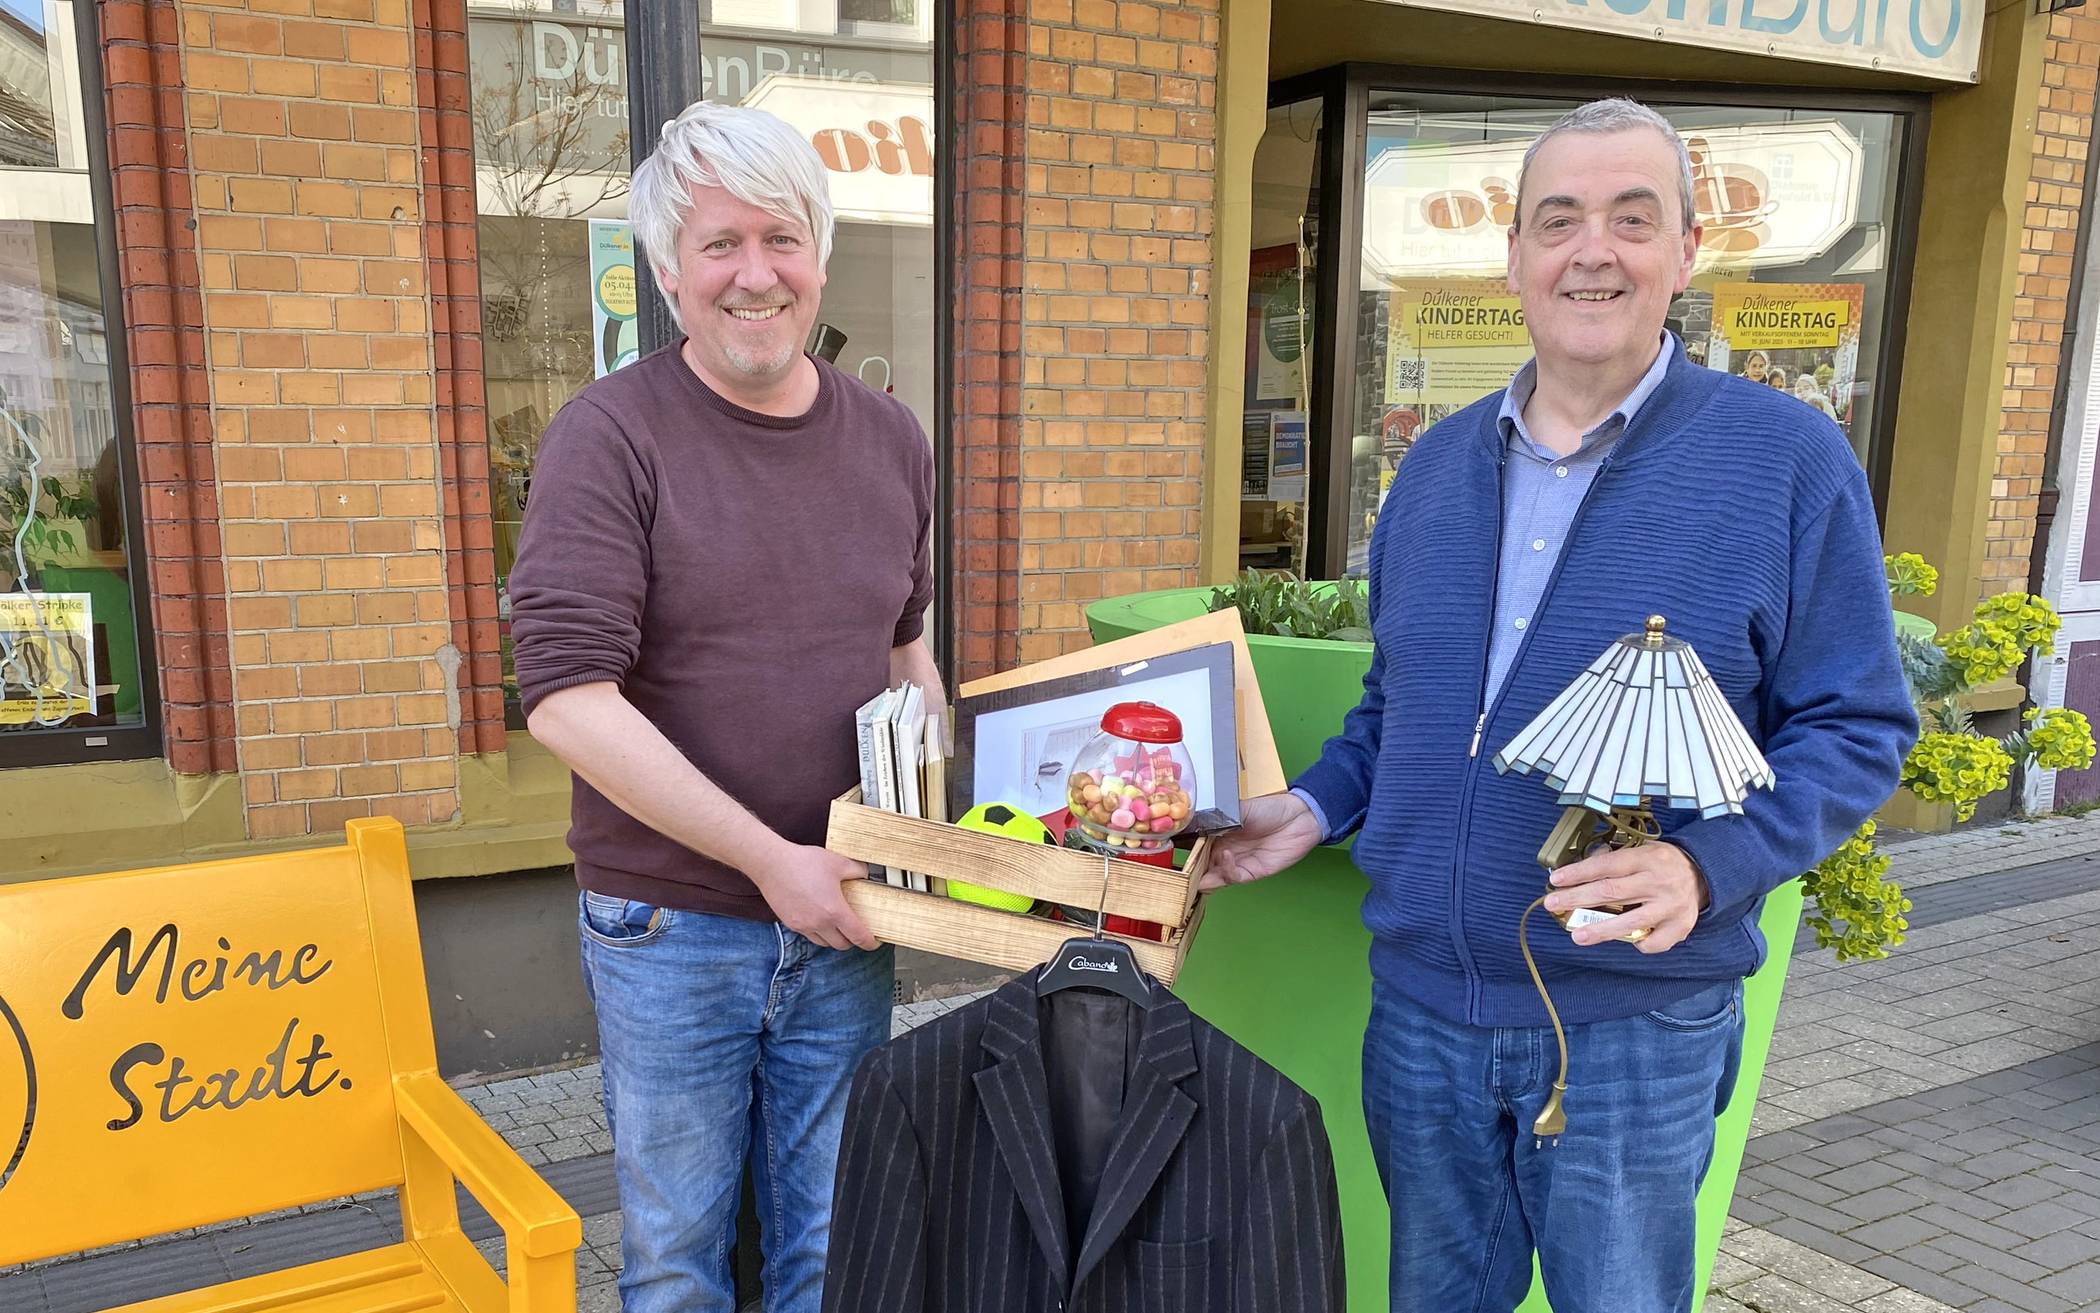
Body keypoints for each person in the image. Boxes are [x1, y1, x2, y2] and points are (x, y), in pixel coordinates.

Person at [1203, 98, 1913, 1313]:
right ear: (1516, 255)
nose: (1594, 250)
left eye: (1634, 219)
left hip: (1631, 1028)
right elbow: (1402, 704)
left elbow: (1858, 723)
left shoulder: (1786, 460)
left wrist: (1711, 863)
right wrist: (1317, 804)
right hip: (1422, 1013)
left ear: (1687, 252)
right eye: (1560, 219)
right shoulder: (1431, 466)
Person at [507, 101, 939, 1313]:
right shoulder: (610, 439)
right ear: (667, 272)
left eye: (782, 237)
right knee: (678, 1262)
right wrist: (771, 863)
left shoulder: (893, 440)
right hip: (671, 926)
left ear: (822, 252)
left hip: (845, 910)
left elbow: (906, 646)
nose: (756, 274)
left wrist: (940, 825)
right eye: (719, 245)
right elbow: (566, 701)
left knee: (827, 1250)